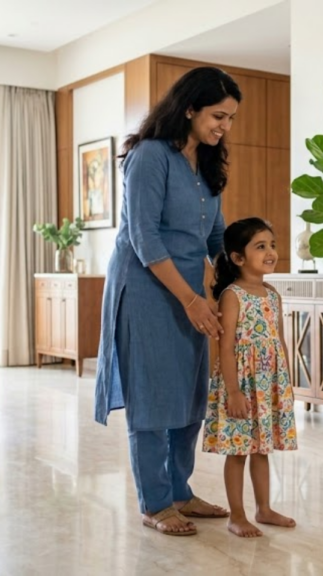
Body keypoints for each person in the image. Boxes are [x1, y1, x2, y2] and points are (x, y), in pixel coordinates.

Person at [93, 67, 242, 536]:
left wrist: (233, 284)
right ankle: (155, 502)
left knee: (191, 393)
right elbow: (143, 236)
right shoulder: (149, 156)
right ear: (190, 107)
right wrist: (189, 300)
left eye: (232, 118)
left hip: (191, 293)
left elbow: (215, 235)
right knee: (154, 397)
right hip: (146, 290)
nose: (225, 127)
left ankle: (181, 490)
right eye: (219, 115)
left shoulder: (207, 164)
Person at [203, 217, 298, 538]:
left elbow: (279, 340)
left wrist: (285, 384)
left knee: (262, 449)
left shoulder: (272, 294)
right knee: (239, 450)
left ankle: (264, 508)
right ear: (238, 257)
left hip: (268, 384)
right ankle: (238, 515)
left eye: (272, 244)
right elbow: (226, 348)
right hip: (241, 386)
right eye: (261, 246)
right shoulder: (233, 296)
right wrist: (233, 392)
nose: (271, 251)